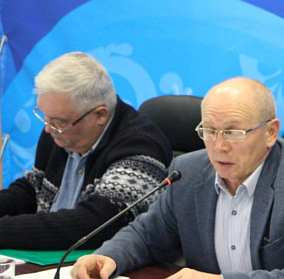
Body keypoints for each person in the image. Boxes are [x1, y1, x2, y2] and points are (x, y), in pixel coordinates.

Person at [71, 77, 284, 279]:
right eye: (209, 131)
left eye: (233, 133)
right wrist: (109, 256)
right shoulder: (187, 172)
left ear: (270, 132)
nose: (219, 146)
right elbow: (147, 236)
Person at [0, 52, 173, 250]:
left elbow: (95, 225)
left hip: (109, 261)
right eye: (45, 117)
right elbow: (33, 190)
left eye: (59, 121)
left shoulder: (141, 146)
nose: (48, 128)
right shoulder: (59, 132)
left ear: (100, 115)